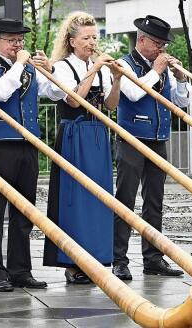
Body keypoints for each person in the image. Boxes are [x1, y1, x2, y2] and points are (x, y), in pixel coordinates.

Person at [0, 18, 66, 292]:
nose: (18, 45)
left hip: (27, 146)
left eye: (20, 40)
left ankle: (20, 270)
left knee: (24, 212)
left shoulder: (27, 68)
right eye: (12, 40)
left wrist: (50, 70)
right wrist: (18, 64)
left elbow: (59, 93)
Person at [42, 11, 122, 284]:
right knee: (75, 198)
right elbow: (74, 101)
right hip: (74, 134)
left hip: (98, 134)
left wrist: (117, 78)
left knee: (99, 198)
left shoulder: (98, 67)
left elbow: (111, 105)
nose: (91, 42)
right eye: (86, 38)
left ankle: (97, 257)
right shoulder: (63, 67)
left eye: (94, 37)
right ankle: (73, 262)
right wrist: (95, 69)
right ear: (73, 41)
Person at [112, 15, 192, 280]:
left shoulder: (164, 68)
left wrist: (180, 79)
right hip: (132, 140)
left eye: (163, 45)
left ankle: (153, 258)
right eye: (157, 43)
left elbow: (181, 103)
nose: (162, 49)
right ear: (142, 40)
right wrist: (156, 70)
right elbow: (133, 93)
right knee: (125, 200)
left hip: (158, 139)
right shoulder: (124, 64)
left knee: (154, 202)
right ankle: (119, 259)